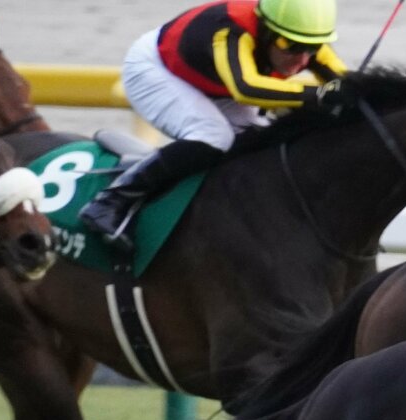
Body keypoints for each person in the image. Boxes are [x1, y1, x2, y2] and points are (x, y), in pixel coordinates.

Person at [79, 0, 348, 253]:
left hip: (215, 80)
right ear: (266, 31)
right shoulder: (229, 32)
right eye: (290, 46)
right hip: (157, 70)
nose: (301, 59)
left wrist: (359, 95)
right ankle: (111, 201)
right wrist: (318, 95)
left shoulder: (302, 39)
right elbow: (246, 88)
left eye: (311, 49)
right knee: (213, 136)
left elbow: (347, 81)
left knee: (261, 137)